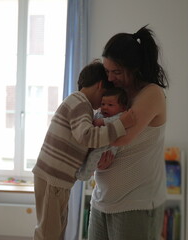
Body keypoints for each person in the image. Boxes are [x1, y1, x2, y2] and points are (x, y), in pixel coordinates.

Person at [32, 60, 135, 240]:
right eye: (103, 99)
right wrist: (120, 125)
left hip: (56, 179)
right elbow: (86, 136)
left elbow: (81, 144)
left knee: (55, 230)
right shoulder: (80, 103)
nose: (102, 107)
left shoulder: (80, 104)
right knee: (48, 233)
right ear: (100, 85)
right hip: (53, 178)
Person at [88, 25, 169, 240]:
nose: (111, 78)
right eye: (107, 71)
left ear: (134, 68)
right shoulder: (114, 94)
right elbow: (96, 131)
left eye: (117, 72)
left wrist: (92, 139)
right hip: (101, 200)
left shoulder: (151, 94)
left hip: (136, 204)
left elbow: (122, 136)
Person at [76, 88, 128, 181]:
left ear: (122, 108)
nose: (105, 107)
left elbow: (112, 121)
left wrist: (100, 121)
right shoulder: (100, 114)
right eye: (103, 104)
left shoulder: (121, 116)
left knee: (94, 155)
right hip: (99, 143)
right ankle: (81, 168)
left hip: (107, 148)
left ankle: (84, 175)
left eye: (110, 105)